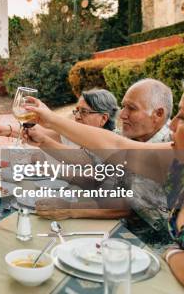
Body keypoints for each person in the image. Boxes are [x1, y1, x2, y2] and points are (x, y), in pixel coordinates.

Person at [26, 73, 184, 293]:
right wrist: (50, 119)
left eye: (182, 117)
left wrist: (168, 251)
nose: (172, 125)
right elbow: (114, 148)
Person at [28, 79, 174, 249]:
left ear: (158, 114)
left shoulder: (168, 147)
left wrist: (69, 209)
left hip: (150, 247)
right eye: (123, 106)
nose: (122, 115)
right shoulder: (130, 135)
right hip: (117, 232)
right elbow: (90, 164)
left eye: (132, 108)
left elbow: (128, 208)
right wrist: (43, 142)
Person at [0, 88, 119, 146]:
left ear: (103, 119)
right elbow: (40, 133)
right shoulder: (74, 137)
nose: (77, 116)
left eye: (84, 111)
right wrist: (6, 130)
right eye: (76, 111)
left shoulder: (111, 146)